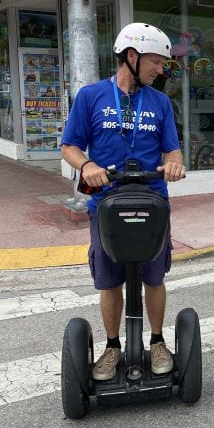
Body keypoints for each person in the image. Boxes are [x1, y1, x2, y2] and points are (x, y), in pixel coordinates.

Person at [61, 22, 186, 382]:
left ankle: (157, 341)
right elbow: (70, 146)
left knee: (154, 277)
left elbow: (172, 149)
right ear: (132, 56)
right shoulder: (91, 96)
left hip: (152, 201)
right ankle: (113, 346)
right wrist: (87, 166)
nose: (160, 70)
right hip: (106, 203)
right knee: (110, 280)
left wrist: (174, 164)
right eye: (156, 62)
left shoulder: (160, 102)